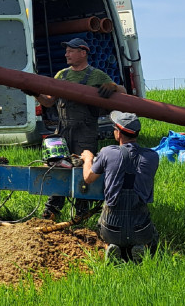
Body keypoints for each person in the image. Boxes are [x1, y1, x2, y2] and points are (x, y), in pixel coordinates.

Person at [36, 37, 120, 220]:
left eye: (70, 51)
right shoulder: (61, 75)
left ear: (83, 53)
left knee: (84, 170)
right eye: (66, 51)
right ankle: (51, 212)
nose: (66, 54)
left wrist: (112, 86)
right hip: (63, 132)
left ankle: (82, 214)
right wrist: (35, 93)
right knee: (59, 169)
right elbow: (49, 102)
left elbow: (123, 94)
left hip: (85, 133)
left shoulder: (97, 76)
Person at [80, 111, 160, 262]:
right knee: (152, 235)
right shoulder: (152, 157)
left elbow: (88, 178)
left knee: (101, 227)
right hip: (140, 228)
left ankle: (110, 246)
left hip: (111, 228)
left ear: (118, 133)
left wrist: (88, 158)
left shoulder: (107, 152)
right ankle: (141, 247)